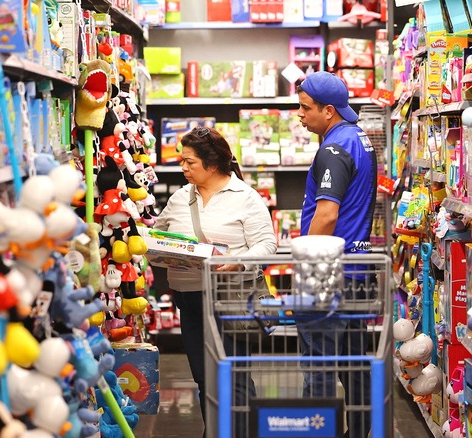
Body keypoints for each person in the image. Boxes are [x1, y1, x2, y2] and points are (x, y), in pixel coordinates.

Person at [152, 127, 277, 437]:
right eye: (182, 161)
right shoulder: (182, 196)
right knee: (204, 377)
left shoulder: (245, 197)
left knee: (233, 375)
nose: (182, 167)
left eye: (189, 162)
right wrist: (160, 251)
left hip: (230, 297)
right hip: (189, 298)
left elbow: (266, 244)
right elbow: (156, 235)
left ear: (212, 163)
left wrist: (238, 261)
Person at [296, 71, 377, 438]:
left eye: (305, 108)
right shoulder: (359, 138)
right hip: (356, 272)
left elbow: (327, 214)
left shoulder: (333, 148)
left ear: (329, 111)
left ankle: (319, 432)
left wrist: (308, 268)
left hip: (330, 276)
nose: (300, 115)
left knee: (319, 370)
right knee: (356, 369)